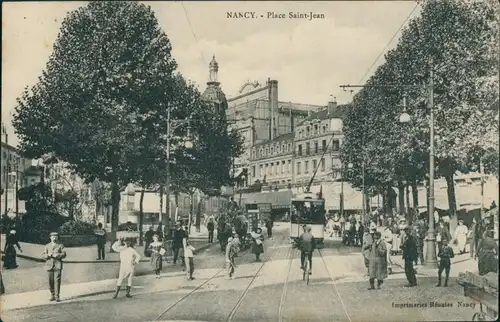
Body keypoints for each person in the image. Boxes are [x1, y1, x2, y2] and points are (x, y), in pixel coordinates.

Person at [43, 232, 66, 302]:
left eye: (56, 236)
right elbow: (43, 255)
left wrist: (58, 255)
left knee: (57, 281)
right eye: (53, 236)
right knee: (50, 281)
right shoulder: (47, 246)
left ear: (57, 237)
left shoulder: (60, 245)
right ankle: (52, 295)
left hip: (57, 265)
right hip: (49, 265)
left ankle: (57, 296)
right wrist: (47, 255)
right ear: (50, 237)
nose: (54, 238)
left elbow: (64, 254)